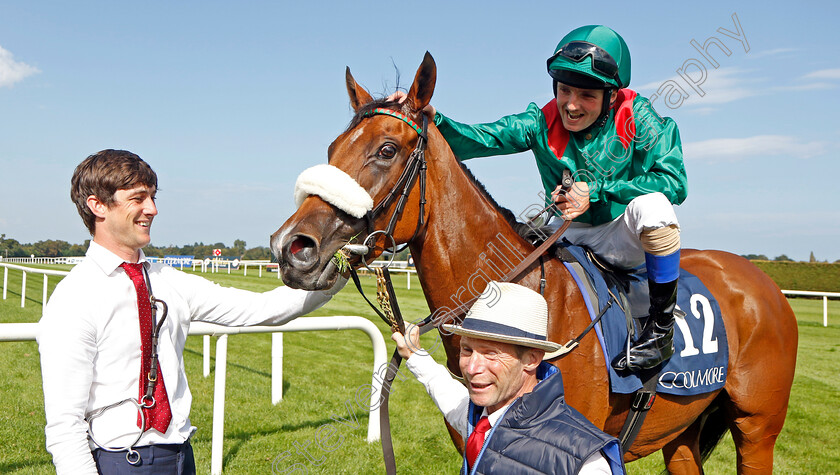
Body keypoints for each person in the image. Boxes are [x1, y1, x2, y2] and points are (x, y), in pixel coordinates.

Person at [395, 25, 687, 372]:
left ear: (612, 95)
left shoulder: (642, 118)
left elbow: (674, 182)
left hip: (622, 233)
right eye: (565, 90)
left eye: (587, 96)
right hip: (565, 230)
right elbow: (482, 139)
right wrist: (435, 119)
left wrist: (597, 191)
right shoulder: (539, 121)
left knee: (653, 208)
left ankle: (661, 330)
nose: (572, 105)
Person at [38, 149, 346, 474]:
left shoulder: (168, 280)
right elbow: (64, 425)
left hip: (182, 458)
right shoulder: (73, 297)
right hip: (120, 461)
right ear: (97, 205)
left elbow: (264, 308)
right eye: (138, 198)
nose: (152, 209)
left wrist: (341, 267)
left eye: (153, 197)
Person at [393, 282, 626, 474]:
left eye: (490, 354)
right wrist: (414, 354)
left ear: (532, 359)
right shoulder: (479, 417)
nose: (472, 367)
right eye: (467, 350)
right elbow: (449, 396)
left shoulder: (586, 463)